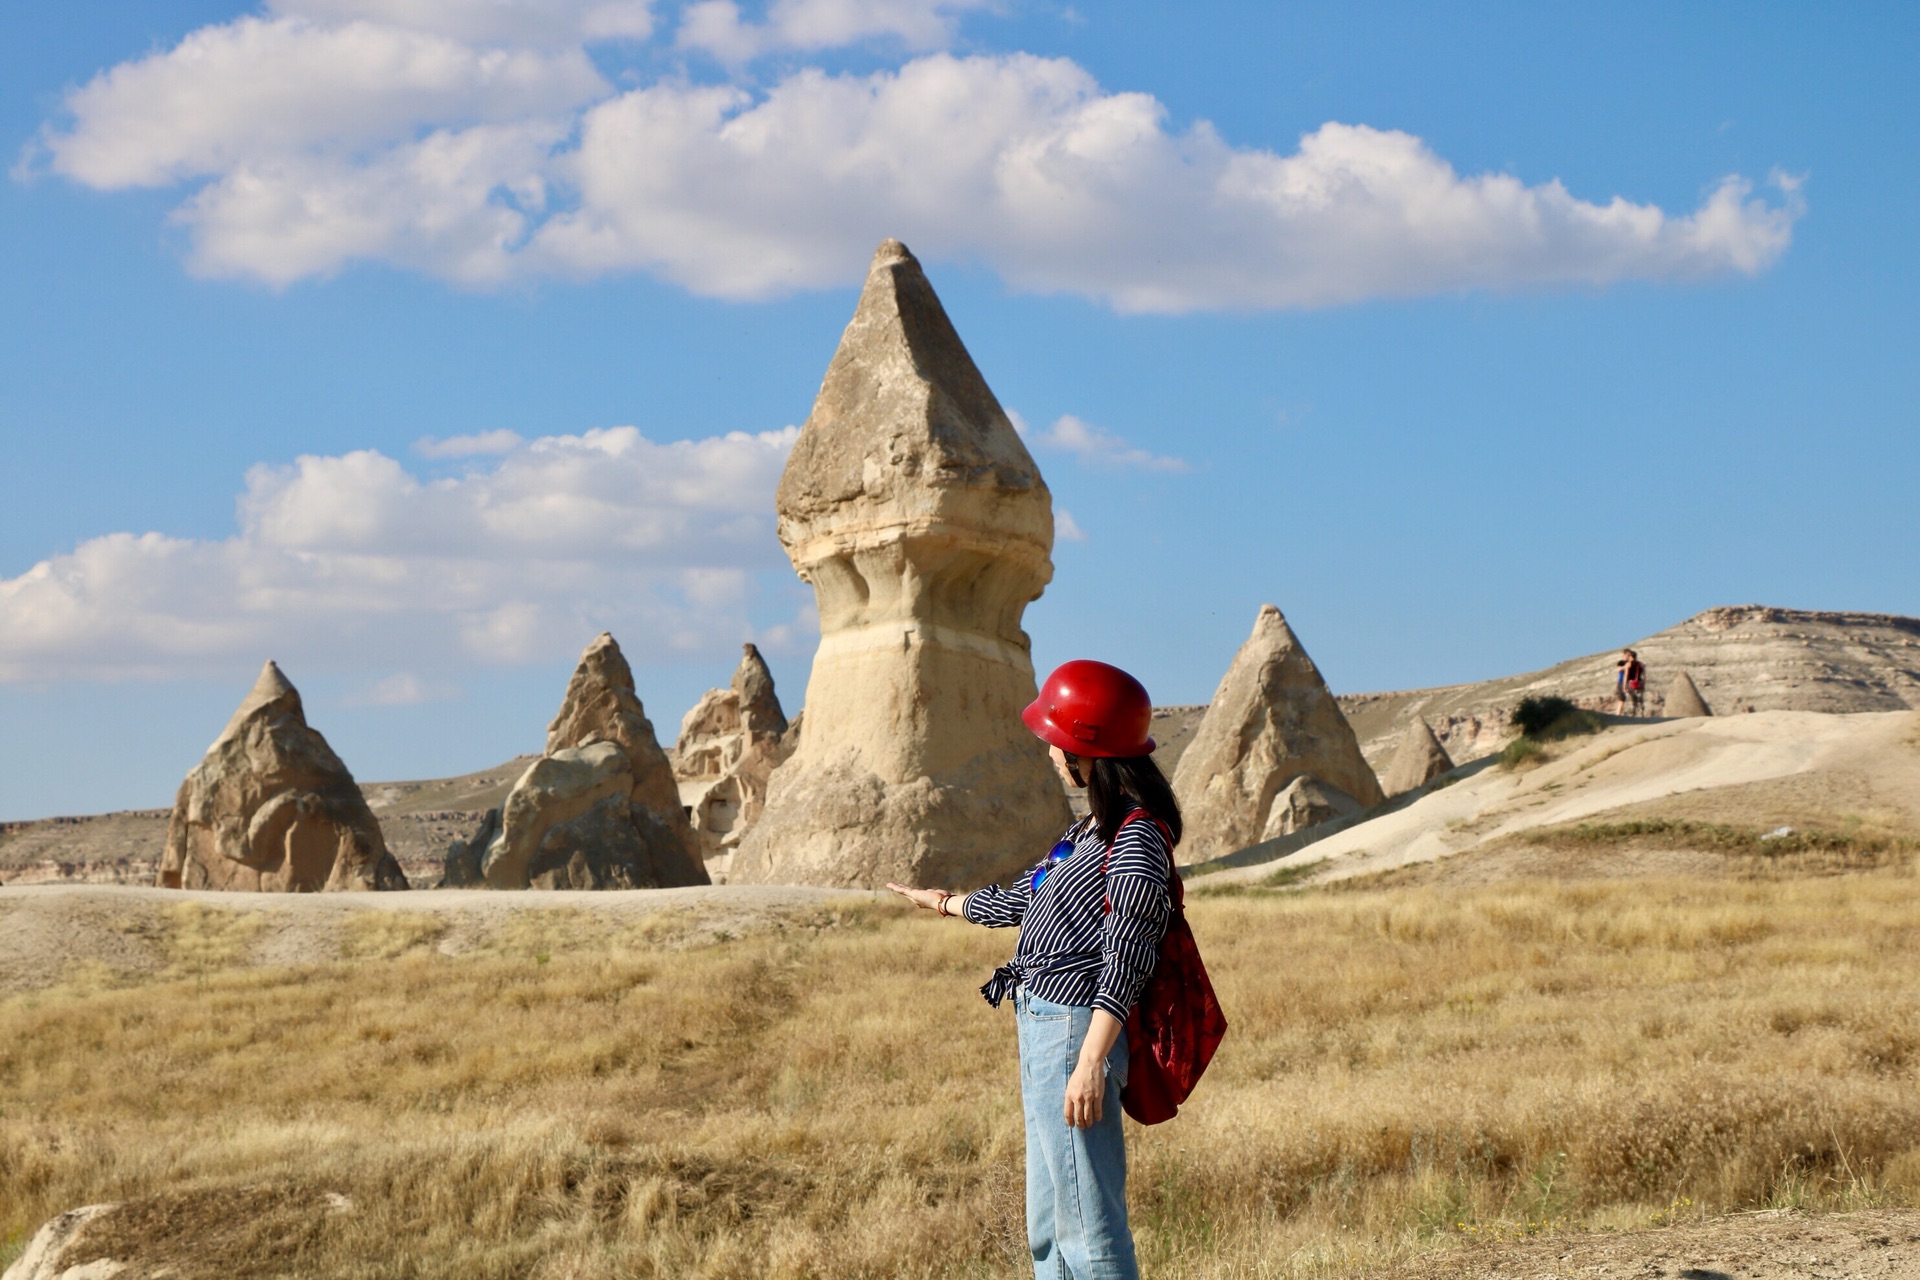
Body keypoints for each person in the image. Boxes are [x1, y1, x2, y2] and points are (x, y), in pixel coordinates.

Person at [887, 659, 1179, 1280]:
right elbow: (1024, 898)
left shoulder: (1137, 839)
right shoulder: (1090, 833)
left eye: (1056, 738)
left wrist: (1092, 1061)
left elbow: (1127, 954)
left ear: (1088, 752)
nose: (1046, 747)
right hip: (1045, 1028)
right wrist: (942, 901)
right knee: (1049, 1226)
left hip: (1077, 1031)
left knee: (1088, 1223)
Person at [1615, 648, 1646, 717]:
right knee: (1621, 699)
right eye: (1627, 655)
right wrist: (1624, 667)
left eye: (1629, 655)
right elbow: (1618, 669)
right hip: (1621, 682)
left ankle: (1630, 714)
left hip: (1629, 683)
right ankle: (1618, 714)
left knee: (1628, 699)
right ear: (1624, 655)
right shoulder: (1621, 662)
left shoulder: (1634, 664)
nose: (1628, 656)